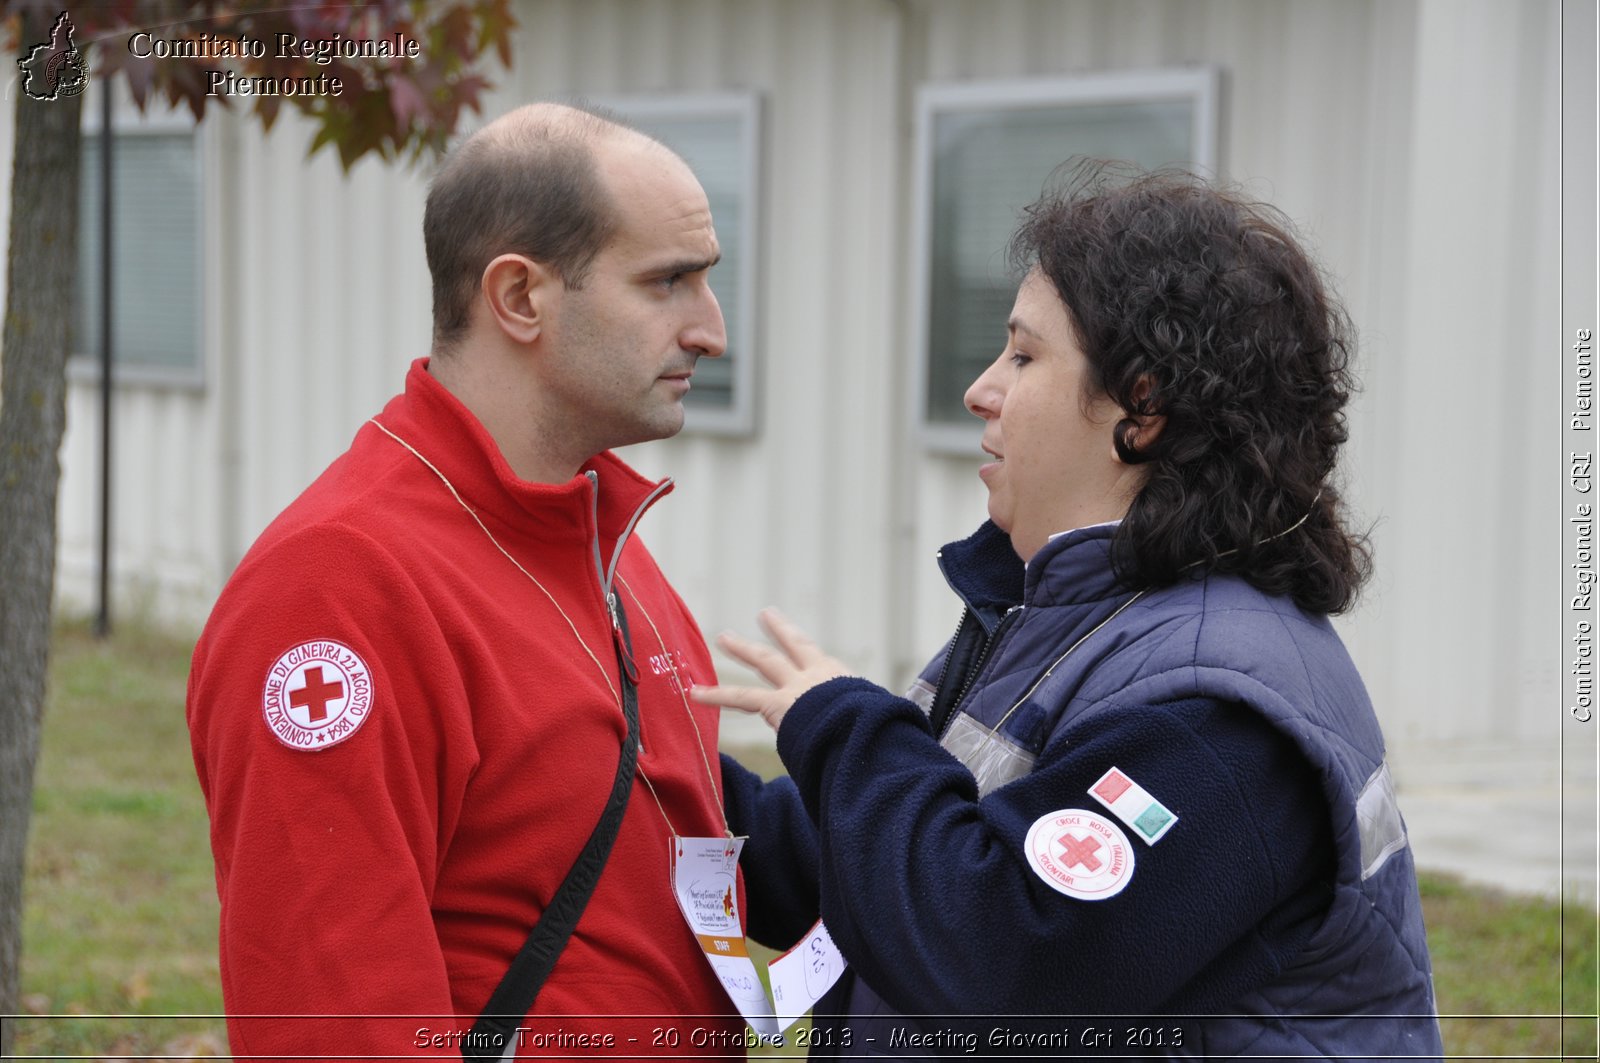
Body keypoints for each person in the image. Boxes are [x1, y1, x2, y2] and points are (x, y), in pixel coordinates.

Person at [697, 164, 1444, 1059]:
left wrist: (843, 722)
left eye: (1022, 354)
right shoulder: (1064, 621)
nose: (982, 389)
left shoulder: (1220, 713)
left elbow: (994, 956)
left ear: (1144, 405)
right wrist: (642, 772)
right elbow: (859, 868)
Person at [187, 103, 745, 1059]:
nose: (712, 330)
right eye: (670, 282)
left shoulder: (601, 534)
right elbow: (334, 1021)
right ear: (520, 297)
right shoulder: (335, 590)